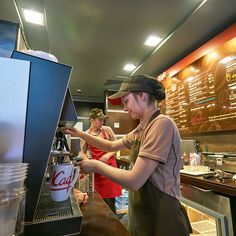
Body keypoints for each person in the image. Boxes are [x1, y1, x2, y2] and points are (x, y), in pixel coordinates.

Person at [66, 75, 192, 236]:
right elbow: (111, 145)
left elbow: (134, 180)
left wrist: (96, 165)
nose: (125, 108)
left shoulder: (161, 124)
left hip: (161, 216)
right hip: (142, 213)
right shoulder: (142, 127)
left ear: (142, 95)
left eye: (126, 101)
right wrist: (80, 133)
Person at [80, 108, 122, 213]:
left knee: (111, 200)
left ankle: (113, 223)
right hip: (97, 170)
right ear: (92, 119)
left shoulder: (107, 130)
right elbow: (83, 152)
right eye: (100, 120)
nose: (102, 122)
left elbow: (116, 146)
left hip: (110, 167)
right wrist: (88, 163)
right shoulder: (86, 134)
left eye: (103, 120)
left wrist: (107, 156)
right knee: (98, 200)